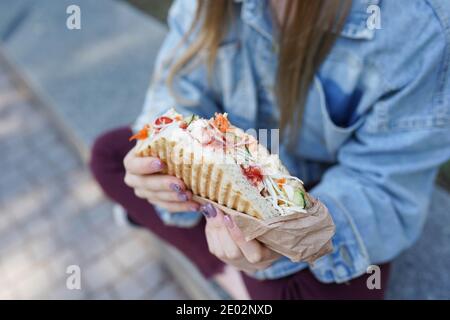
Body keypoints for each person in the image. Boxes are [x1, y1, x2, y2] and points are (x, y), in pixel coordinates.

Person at [90, 0, 450, 299]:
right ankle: (236, 277)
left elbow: (383, 188)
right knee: (110, 155)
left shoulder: (421, 25)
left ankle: (235, 273)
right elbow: (178, 89)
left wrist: (285, 241)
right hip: (230, 190)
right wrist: (159, 169)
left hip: (332, 200)